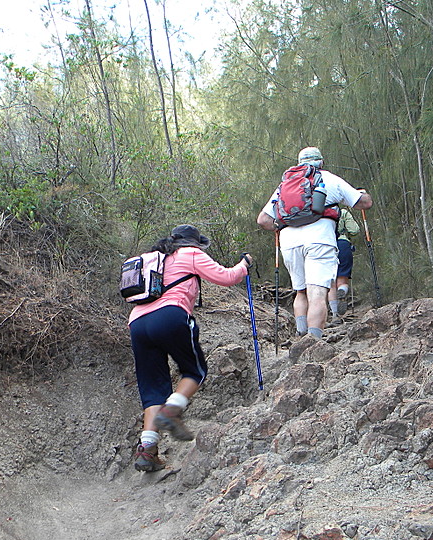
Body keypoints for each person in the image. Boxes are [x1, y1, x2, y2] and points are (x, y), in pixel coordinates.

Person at [128, 224, 252, 472]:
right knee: (195, 371)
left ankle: (148, 450)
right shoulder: (191, 254)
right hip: (171, 316)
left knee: (153, 389)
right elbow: (227, 277)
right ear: (194, 243)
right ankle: (172, 411)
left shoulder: (153, 258)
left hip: (137, 322)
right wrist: (244, 265)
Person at [257, 147, 372, 339]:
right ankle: (313, 343)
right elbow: (364, 203)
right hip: (319, 239)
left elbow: (263, 220)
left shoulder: (286, 184)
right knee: (317, 293)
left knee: (300, 291)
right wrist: (362, 194)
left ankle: (301, 335)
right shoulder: (328, 178)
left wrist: (283, 224)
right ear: (321, 162)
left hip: (289, 241)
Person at [328, 207, 360, 324]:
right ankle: (342, 291)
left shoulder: (319, 211)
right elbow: (355, 230)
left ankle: (335, 315)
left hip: (327, 245)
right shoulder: (343, 212)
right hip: (343, 245)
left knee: (331, 282)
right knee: (342, 280)